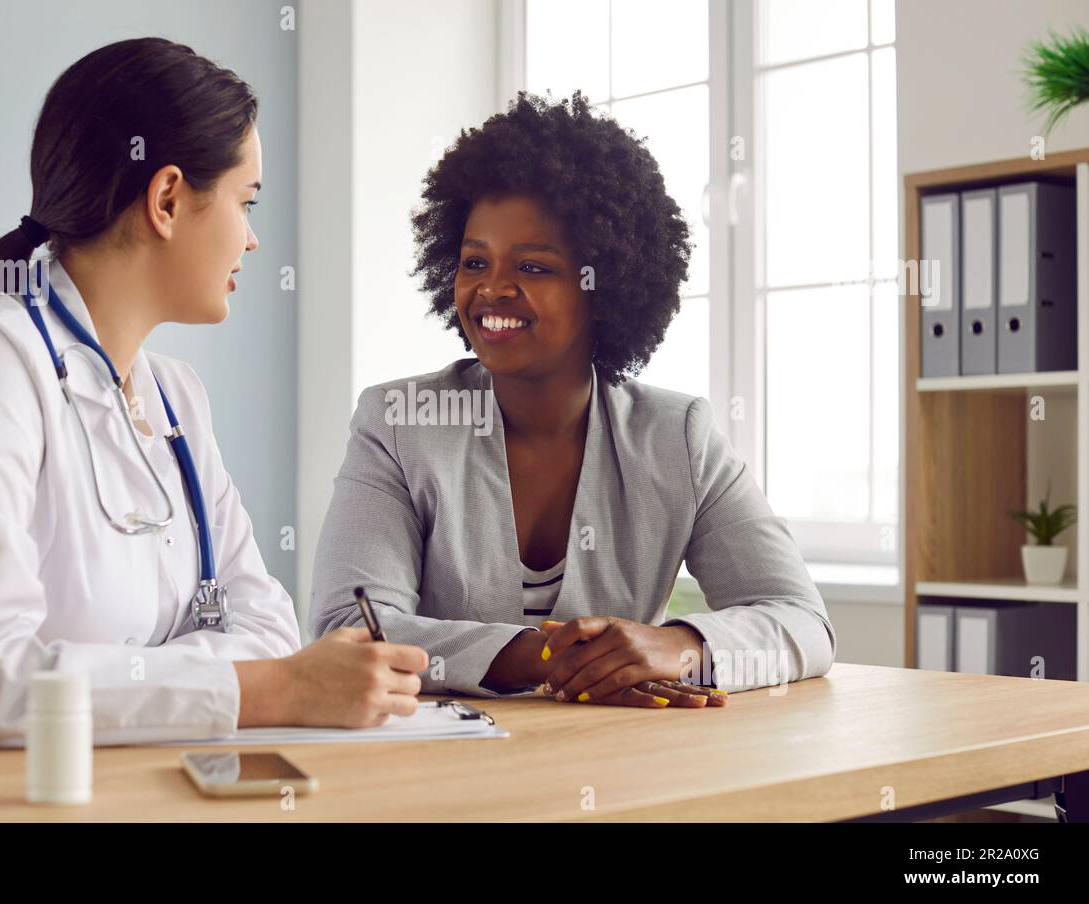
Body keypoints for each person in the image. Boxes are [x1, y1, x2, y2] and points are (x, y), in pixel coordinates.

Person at [0, 37, 425, 746]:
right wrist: (275, 688)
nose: (254, 240)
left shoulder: (177, 398)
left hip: (114, 779)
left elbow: (267, 626)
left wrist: (151, 683)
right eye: (247, 201)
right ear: (168, 199)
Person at [311, 92, 835, 706]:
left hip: (609, 770)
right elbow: (347, 633)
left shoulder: (677, 435)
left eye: (532, 268)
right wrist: (555, 656)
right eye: (474, 261)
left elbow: (801, 620)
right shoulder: (399, 423)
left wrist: (680, 647)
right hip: (442, 775)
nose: (492, 289)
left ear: (604, 287)